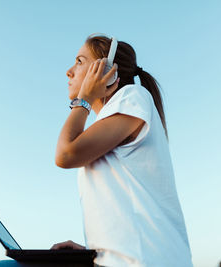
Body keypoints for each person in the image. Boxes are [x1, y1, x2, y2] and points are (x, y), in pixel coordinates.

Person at [51, 34, 193, 267]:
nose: (69, 71)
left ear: (106, 70)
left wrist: (85, 98)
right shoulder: (110, 122)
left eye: (79, 61)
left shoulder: (133, 97)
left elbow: (65, 155)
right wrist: (95, 250)